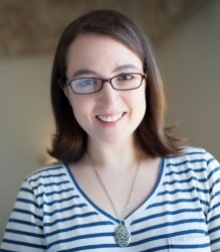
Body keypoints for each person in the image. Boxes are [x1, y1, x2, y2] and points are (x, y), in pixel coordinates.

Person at [1, 9, 220, 252]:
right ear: (66, 91)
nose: (110, 101)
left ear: (146, 81)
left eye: (125, 76)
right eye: (86, 81)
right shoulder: (39, 194)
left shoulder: (203, 173)